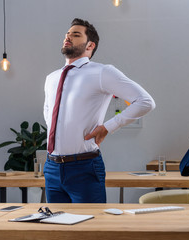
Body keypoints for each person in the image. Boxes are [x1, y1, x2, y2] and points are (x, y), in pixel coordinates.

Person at [43, 18, 155, 203]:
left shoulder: (102, 72)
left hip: (84, 166)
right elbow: (49, 113)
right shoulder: (51, 78)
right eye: (67, 34)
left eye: (76, 34)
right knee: (57, 228)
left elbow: (145, 101)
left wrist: (107, 127)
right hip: (52, 167)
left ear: (90, 45)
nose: (68, 37)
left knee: (89, 228)